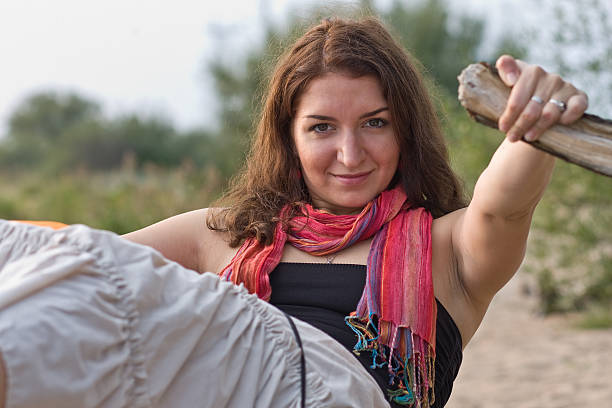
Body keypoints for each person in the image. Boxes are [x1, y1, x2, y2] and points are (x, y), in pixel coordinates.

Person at [0, 16, 588, 408]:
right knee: (62, 268)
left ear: (405, 130)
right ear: (290, 139)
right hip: (219, 390)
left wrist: (535, 126)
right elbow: (76, 275)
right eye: (322, 128)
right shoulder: (225, 234)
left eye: (375, 124)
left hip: (335, 391)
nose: (350, 154)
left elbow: (505, 206)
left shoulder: (450, 250)